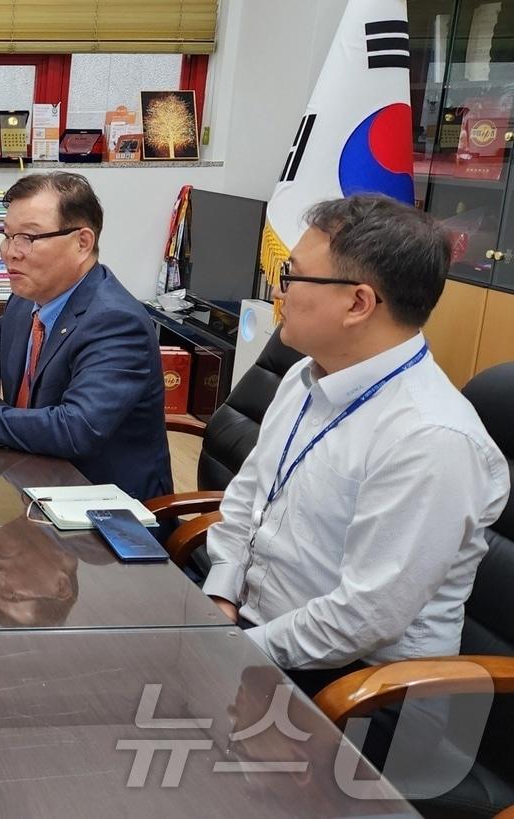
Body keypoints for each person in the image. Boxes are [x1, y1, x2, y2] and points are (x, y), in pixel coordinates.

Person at [202, 195, 510, 694]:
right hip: (255, 629)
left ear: (358, 303)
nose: (278, 292)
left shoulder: (430, 438)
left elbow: (362, 619)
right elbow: (248, 499)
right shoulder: (307, 373)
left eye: (292, 275)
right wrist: (219, 595)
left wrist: (232, 649)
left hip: (363, 691)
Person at [0, 172, 172, 502]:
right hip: (33, 481)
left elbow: (75, 428)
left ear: (81, 242)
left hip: (102, 511)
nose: (10, 253)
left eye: (27, 238)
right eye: (7, 237)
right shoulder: (29, 296)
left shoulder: (116, 322)